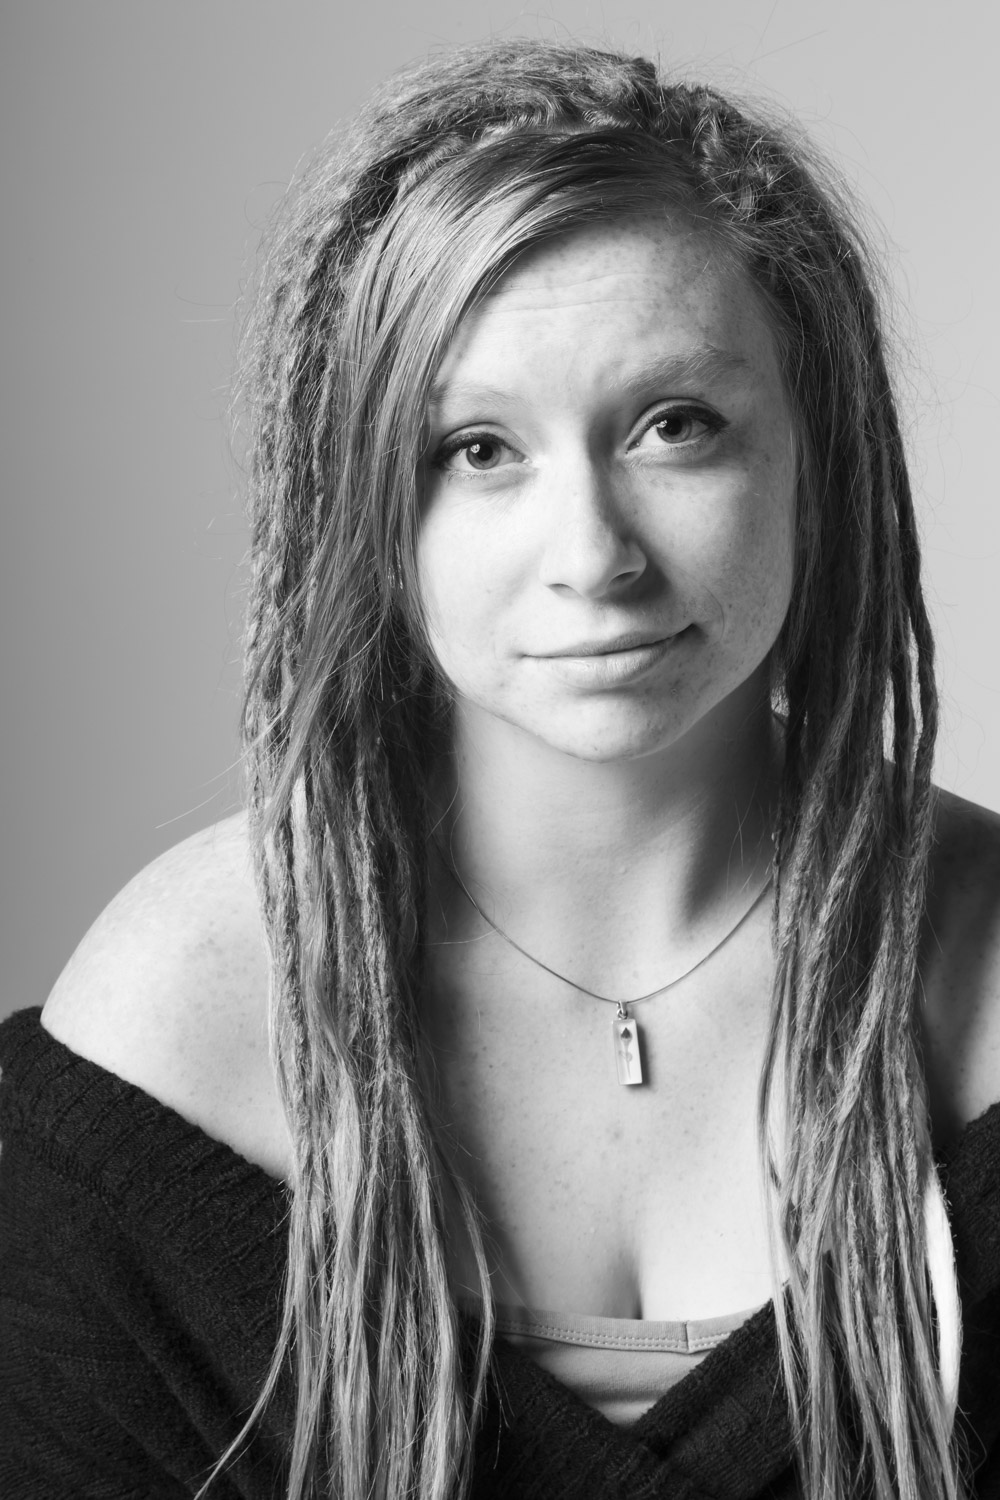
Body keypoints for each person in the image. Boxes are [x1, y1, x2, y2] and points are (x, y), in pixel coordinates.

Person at [1, 36, 999, 1500]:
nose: (592, 555)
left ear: (818, 456)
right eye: (479, 449)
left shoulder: (987, 970)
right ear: (361, 502)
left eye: (676, 426)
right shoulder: (182, 1012)